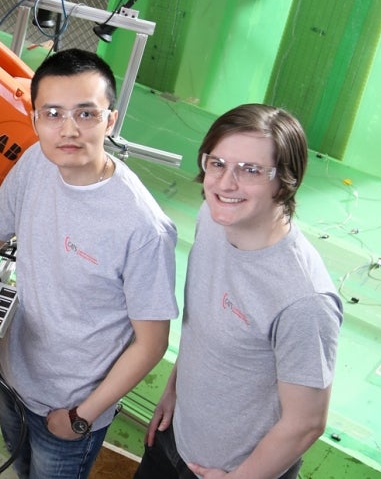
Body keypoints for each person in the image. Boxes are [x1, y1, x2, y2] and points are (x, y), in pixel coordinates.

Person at [0, 48, 178, 478]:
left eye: (86, 114)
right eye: (53, 113)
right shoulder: (36, 162)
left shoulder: (142, 226)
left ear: (110, 121)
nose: (69, 129)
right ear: (35, 118)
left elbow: (151, 343)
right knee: (20, 468)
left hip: (71, 409)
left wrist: (82, 416)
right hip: (13, 377)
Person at [134, 104, 343, 479]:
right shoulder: (213, 220)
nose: (226, 184)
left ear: (286, 181)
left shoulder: (303, 300)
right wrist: (174, 388)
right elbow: (205, 325)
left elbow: (306, 422)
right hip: (176, 440)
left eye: (251, 170)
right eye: (217, 163)